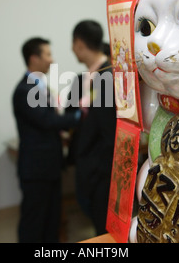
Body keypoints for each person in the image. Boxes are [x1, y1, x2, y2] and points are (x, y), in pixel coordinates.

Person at [12, 37, 81, 243]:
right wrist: (80, 114)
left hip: (49, 166)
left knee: (52, 220)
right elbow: (47, 120)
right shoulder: (25, 90)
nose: (52, 60)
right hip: (36, 169)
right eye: (48, 54)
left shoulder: (40, 86)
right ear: (34, 58)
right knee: (34, 222)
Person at [67, 20, 116, 236]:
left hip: (103, 168)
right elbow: (70, 116)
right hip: (85, 162)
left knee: (104, 228)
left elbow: (111, 129)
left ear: (78, 43)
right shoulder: (80, 79)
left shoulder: (110, 75)